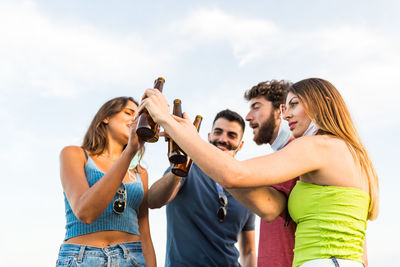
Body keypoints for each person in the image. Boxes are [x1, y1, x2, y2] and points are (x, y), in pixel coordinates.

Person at [139, 78, 379, 267]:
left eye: (294, 104)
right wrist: (200, 150)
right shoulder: (353, 153)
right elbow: (269, 204)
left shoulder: (318, 145)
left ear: (324, 101)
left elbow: (234, 174)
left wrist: (164, 119)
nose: (286, 115)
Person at [147, 109, 256, 267]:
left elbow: (249, 251)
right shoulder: (187, 169)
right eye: (218, 132)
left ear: (241, 144)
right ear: (209, 136)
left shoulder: (246, 186)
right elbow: (153, 201)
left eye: (231, 135)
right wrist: (179, 169)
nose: (223, 139)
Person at [56, 97, 156, 267]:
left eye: (138, 116)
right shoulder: (75, 154)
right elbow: (85, 212)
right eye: (129, 113)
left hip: (131, 258)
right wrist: (129, 153)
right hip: (82, 258)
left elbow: (145, 233)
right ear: (106, 117)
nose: (135, 119)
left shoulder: (140, 173)